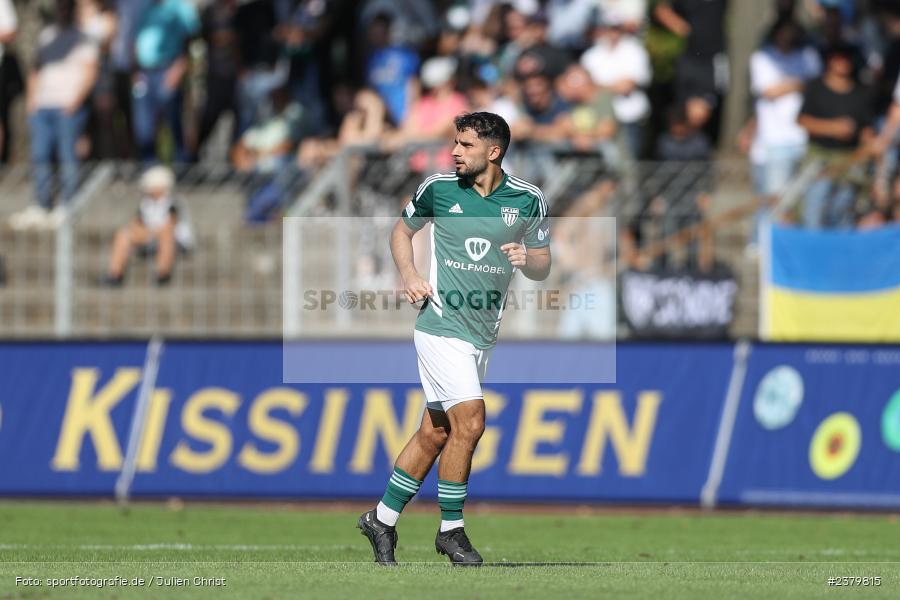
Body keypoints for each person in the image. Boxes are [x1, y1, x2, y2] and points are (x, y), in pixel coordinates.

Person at [358, 112, 551, 566]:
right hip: (440, 326)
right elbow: (401, 231)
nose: (455, 152)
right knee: (472, 422)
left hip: (483, 334)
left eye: (465, 144)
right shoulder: (439, 189)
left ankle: (381, 519)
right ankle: (451, 530)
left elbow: (543, 263)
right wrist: (409, 273)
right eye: (455, 143)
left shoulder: (528, 200)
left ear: (494, 151)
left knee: (436, 431)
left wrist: (528, 258)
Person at [10, 0, 99, 231]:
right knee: (39, 155)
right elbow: (35, 69)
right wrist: (32, 101)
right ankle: (42, 203)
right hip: (43, 105)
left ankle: (69, 204)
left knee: (67, 155)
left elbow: (91, 72)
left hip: (67, 106)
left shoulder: (84, 38)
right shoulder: (46, 35)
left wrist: (74, 102)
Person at [104, 166, 193, 286]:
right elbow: (135, 224)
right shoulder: (145, 203)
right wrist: (145, 232)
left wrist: (148, 232)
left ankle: (163, 275)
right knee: (123, 234)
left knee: (165, 236)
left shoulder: (174, 203)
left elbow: (169, 226)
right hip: (151, 238)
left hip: (175, 241)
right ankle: (115, 274)